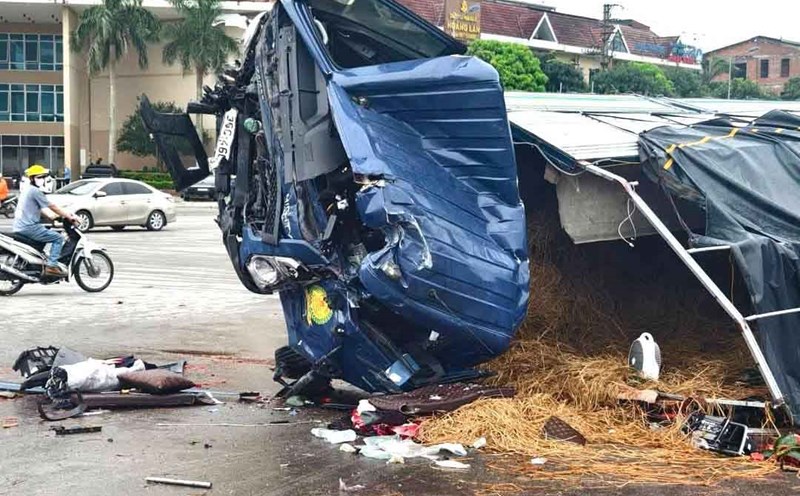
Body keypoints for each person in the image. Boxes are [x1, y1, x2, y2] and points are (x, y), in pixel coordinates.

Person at [13, 165, 79, 277]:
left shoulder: (27, 190)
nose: (42, 179)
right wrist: (69, 216)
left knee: (47, 231)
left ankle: (41, 263)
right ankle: (52, 266)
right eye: (40, 177)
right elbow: (52, 206)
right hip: (29, 227)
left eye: (44, 177)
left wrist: (53, 216)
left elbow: (43, 210)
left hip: (20, 226)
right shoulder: (35, 191)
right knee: (58, 238)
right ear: (32, 178)